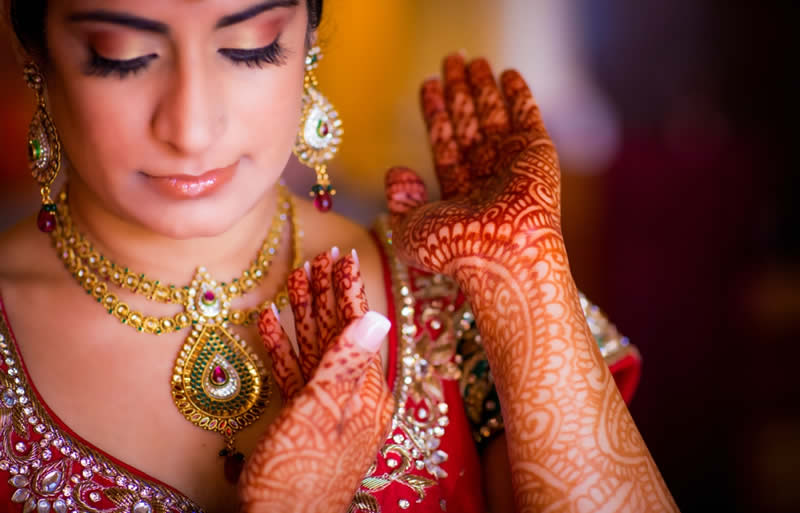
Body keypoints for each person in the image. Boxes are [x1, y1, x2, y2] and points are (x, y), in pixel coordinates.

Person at [0, 1, 676, 512]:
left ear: (308, 44)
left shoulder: (451, 285)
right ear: (36, 53)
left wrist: (525, 285)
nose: (192, 127)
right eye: (120, 57)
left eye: (251, 46)